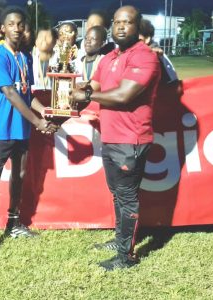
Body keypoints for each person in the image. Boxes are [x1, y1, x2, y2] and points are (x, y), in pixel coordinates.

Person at [71, 6, 161, 270]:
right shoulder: (109, 57)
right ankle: (121, 240)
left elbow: (123, 95)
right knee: (117, 194)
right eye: (118, 22)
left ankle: (126, 256)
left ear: (137, 27)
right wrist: (75, 87)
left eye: (128, 22)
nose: (121, 27)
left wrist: (86, 96)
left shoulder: (145, 57)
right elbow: (96, 85)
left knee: (127, 196)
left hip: (130, 139)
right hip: (110, 137)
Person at [0, 6, 58, 257]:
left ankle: (13, 224)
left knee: (20, 175)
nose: (16, 28)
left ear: (25, 28)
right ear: (3, 28)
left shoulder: (25, 57)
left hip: (21, 128)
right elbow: (10, 93)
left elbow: (26, 93)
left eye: (20, 24)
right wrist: (38, 122)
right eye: (11, 24)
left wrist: (44, 111)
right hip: (1, 127)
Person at [139, 19, 178, 84]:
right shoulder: (147, 50)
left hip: (166, 89)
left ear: (147, 39)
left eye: (137, 40)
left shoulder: (153, 53)